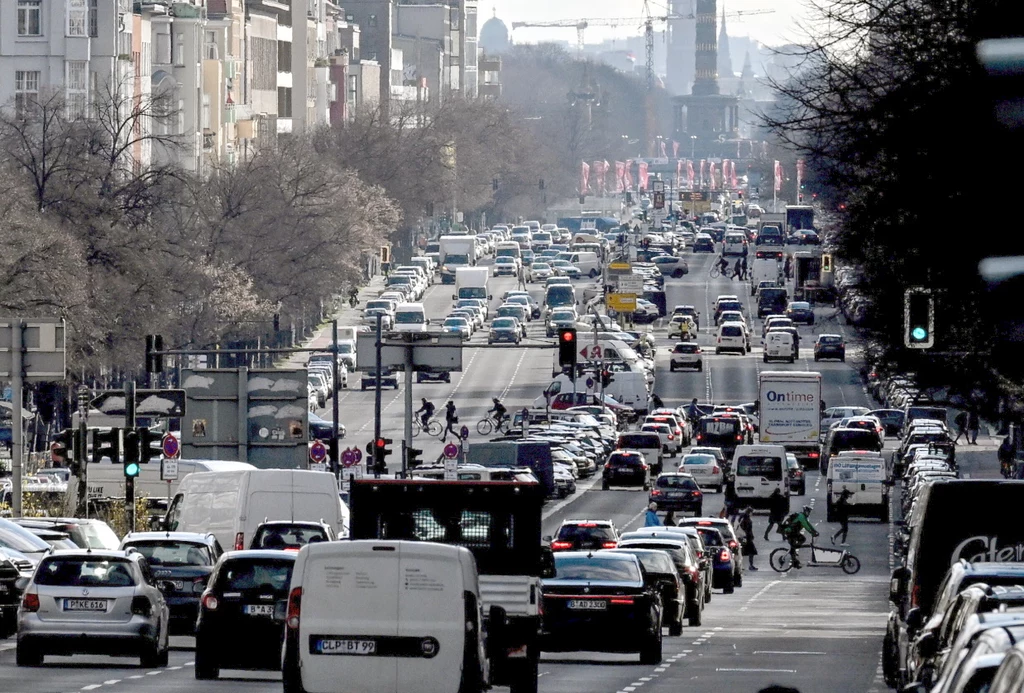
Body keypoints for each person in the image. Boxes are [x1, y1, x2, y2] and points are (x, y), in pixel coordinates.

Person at [738, 507, 758, 571]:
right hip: (747, 538)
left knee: (744, 551)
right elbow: (747, 528)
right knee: (750, 552)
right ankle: (749, 565)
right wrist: (748, 534)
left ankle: (742, 565)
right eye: (752, 512)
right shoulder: (746, 519)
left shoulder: (745, 518)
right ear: (750, 512)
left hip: (745, 537)